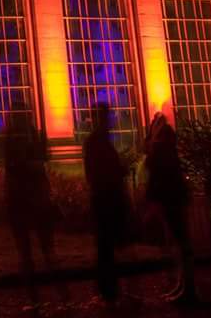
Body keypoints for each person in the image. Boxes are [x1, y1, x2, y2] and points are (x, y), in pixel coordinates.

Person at [3, 103, 58, 297]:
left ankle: (36, 297)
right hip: (35, 199)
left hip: (22, 200)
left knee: (28, 251)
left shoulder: (12, 138)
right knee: (46, 249)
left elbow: (12, 168)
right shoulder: (32, 137)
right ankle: (60, 294)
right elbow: (42, 163)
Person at [143, 113, 197, 303]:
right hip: (174, 198)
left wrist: (151, 200)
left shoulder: (159, 148)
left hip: (169, 199)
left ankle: (187, 288)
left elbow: (155, 174)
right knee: (180, 244)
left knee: (180, 244)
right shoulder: (166, 146)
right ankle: (184, 286)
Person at [83, 102, 129, 306]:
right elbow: (101, 171)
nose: (111, 119)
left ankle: (108, 289)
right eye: (107, 116)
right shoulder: (99, 140)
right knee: (106, 245)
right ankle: (109, 290)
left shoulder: (96, 140)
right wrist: (119, 171)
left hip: (102, 197)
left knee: (105, 245)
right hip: (106, 198)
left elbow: (91, 172)